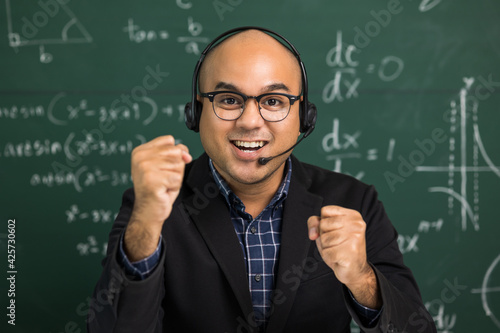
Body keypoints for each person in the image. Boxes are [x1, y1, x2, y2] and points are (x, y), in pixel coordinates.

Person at [88, 27, 436, 333]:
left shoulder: (354, 201)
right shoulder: (150, 205)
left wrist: (361, 279)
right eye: (228, 100)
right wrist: (147, 226)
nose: (250, 121)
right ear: (196, 113)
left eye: (273, 101)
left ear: (305, 116)